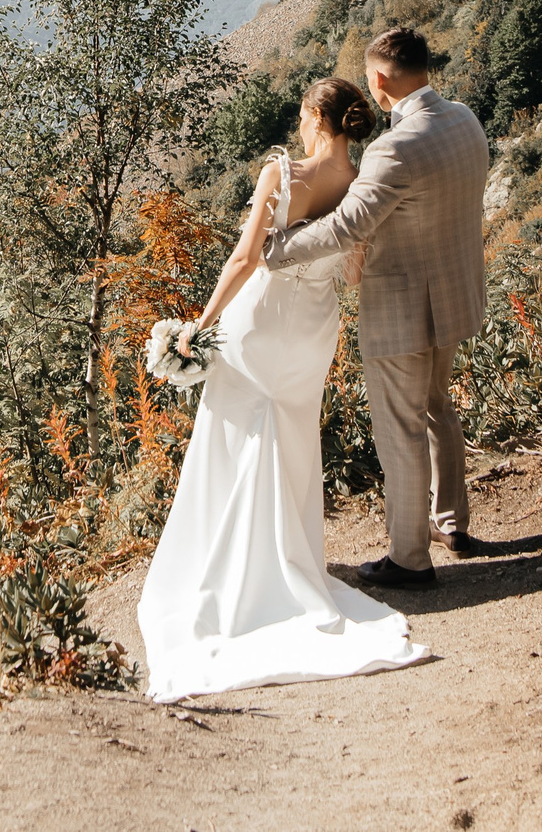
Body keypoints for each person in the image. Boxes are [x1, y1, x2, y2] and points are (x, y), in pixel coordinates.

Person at [135, 76, 431, 702]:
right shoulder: (362, 186)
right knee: (291, 435)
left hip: (260, 324)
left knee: (234, 436)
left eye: (302, 115)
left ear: (317, 119)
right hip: (313, 332)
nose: (298, 126)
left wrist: (199, 325)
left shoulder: (284, 175)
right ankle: (289, 563)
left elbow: (244, 260)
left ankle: (236, 571)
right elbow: (351, 270)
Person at [263, 26, 491, 590]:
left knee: (399, 432)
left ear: (380, 79)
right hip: (456, 294)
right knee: (437, 407)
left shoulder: (396, 147)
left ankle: (410, 559)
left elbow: (347, 226)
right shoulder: (465, 120)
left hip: (403, 308)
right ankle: (451, 524)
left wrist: (280, 251)